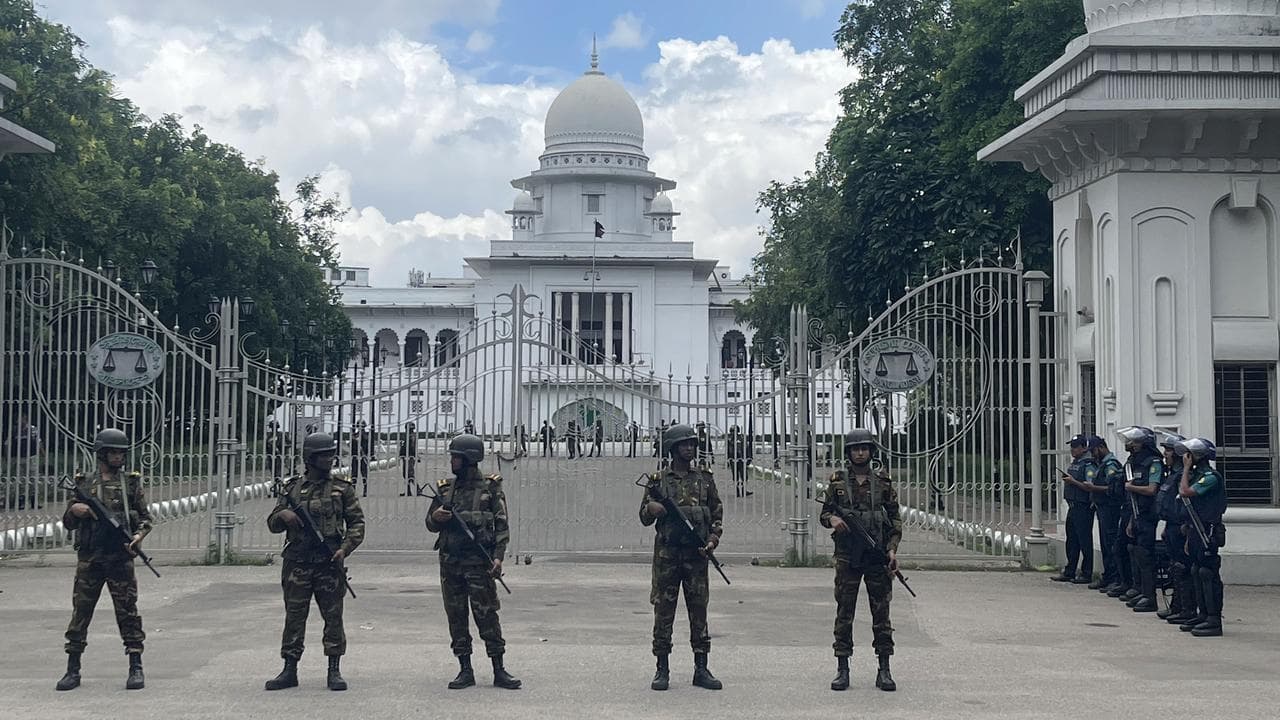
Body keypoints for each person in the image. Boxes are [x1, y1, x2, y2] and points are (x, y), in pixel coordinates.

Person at [264, 432, 365, 691]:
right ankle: (289, 669)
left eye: (332, 454)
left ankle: (334, 669)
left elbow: (357, 524)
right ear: (310, 458)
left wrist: (345, 549)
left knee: (333, 618)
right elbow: (272, 524)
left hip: (328, 563)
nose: (330, 459)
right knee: (294, 617)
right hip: (297, 563)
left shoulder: (343, 488)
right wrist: (283, 514)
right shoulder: (292, 488)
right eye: (324, 455)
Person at [56, 428, 153, 692]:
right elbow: (67, 522)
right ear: (101, 453)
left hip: (120, 558)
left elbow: (146, 519)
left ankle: (135, 666)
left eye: (122, 452)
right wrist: (75, 510)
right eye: (113, 452)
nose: (119, 456)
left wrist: (138, 536)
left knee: (128, 612)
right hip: (90, 559)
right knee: (81, 613)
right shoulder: (84, 483)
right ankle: (72, 669)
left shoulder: (131, 484)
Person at [425, 434, 521, 689]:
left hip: (480, 565)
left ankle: (499, 669)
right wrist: (436, 517)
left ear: (468, 459)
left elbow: (502, 526)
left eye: (456, 456)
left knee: (487, 616)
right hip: (451, 565)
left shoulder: (490, 489)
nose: (452, 460)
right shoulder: (446, 490)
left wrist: (498, 558)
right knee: (456, 617)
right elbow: (430, 523)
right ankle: (464, 669)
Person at [639, 422, 724, 691]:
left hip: (697, 557)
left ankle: (701, 668)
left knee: (699, 612)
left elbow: (717, 514)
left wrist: (712, 540)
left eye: (692, 444)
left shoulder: (704, 479)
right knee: (664, 612)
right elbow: (643, 516)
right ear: (672, 448)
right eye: (684, 444)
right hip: (667, 557)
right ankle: (662, 668)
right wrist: (652, 508)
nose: (689, 448)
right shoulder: (657, 482)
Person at [819, 428, 902, 692]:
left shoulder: (884, 482)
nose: (860, 452)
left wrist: (891, 549)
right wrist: (833, 519)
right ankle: (842, 669)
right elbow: (825, 513)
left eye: (864, 448)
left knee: (881, 613)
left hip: (876, 557)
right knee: (845, 611)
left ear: (871, 451)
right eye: (855, 449)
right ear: (848, 453)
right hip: (847, 557)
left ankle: (884, 669)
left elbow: (895, 519)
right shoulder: (838, 482)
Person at [1176, 437, 1226, 637]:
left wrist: (1186, 469)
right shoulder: (1198, 475)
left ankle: (1214, 619)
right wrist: (1188, 535)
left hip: (1208, 530)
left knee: (1207, 572)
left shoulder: (1210, 477)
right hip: (1196, 529)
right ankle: (1202, 614)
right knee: (1196, 570)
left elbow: (1185, 492)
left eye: (1190, 454)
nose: (1186, 458)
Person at [1118, 426, 1163, 612]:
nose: (1130, 445)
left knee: (1145, 555)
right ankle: (1139, 589)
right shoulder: (1133, 462)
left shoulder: (1154, 463)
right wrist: (1130, 521)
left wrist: (1132, 488)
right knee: (1133, 550)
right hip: (1136, 515)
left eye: (1134, 442)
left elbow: (1152, 490)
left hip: (1147, 514)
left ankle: (1149, 596)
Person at [1154, 432, 1194, 624]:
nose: (1165, 454)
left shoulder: (1185, 476)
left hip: (1181, 528)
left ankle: (1186, 609)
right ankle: (1177, 606)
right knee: (1174, 568)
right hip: (1172, 526)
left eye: (1168, 450)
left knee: (1182, 568)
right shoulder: (1171, 475)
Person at [1087, 436, 1131, 598]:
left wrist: (1093, 488)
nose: (1092, 454)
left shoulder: (1111, 464)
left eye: (1093, 451)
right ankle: (1109, 576)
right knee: (1106, 544)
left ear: (1100, 447)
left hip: (1110, 509)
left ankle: (1114, 577)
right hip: (1102, 508)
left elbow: (1111, 488)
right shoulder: (1103, 464)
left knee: (1111, 543)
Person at [1052, 434, 1095, 584]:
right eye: (1072, 447)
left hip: (1083, 507)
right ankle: (1070, 570)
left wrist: (1073, 481)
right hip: (1073, 506)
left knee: (1084, 541)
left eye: (1075, 447)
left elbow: (1090, 486)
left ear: (1084, 448)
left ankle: (1087, 572)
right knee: (1072, 541)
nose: (1072, 450)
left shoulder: (1088, 464)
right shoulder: (1076, 463)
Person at [7, 410, 44, 509]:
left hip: (32, 456)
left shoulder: (32, 429)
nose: (19, 421)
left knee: (33, 478)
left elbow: (38, 441)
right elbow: (9, 443)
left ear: (25, 418)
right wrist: (9, 456)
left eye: (20, 418)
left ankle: (34, 501)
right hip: (19, 457)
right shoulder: (15, 430)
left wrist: (42, 453)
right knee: (21, 480)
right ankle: (21, 501)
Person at [726, 426, 753, 498]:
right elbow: (728, 451)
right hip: (733, 460)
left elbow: (746, 448)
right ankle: (737, 491)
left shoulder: (741, 439)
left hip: (741, 460)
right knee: (736, 477)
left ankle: (744, 491)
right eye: (731, 431)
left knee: (744, 477)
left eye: (733, 431)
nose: (731, 433)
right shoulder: (730, 440)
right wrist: (728, 460)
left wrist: (749, 458)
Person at [353, 421, 371, 497]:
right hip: (355, 457)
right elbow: (351, 446)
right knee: (354, 474)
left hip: (363, 457)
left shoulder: (367, 435)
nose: (361, 428)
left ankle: (365, 490)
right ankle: (353, 490)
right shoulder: (354, 435)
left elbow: (368, 446)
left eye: (362, 426)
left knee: (364, 474)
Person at [399, 423, 418, 496]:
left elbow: (412, 447)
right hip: (406, 456)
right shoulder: (407, 436)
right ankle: (408, 491)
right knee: (405, 474)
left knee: (410, 474)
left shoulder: (411, 436)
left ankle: (418, 489)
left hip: (409, 457)